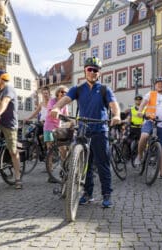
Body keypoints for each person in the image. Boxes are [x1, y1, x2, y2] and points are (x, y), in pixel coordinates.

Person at [50, 56, 121, 208]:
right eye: (90, 69)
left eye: (95, 70)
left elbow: (113, 104)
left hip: (100, 130)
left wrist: (116, 115)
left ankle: (106, 194)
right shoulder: (78, 89)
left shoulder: (104, 89)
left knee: (103, 164)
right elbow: (66, 99)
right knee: (84, 164)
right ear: (85, 71)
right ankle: (87, 194)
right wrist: (56, 107)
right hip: (83, 131)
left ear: (99, 73)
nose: (92, 72)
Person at [134, 77, 162, 180]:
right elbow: (143, 104)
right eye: (158, 83)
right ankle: (139, 156)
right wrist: (140, 112)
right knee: (144, 136)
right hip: (150, 121)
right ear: (155, 85)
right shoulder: (150, 94)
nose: (160, 85)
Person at [0, 69, 22, 189]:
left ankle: (18, 178)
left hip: (9, 124)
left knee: (13, 151)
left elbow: (5, 102)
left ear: (1, 79)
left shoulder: (8, 88)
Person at [45, 85, 70, 183]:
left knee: (63, 149)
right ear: (58, 92)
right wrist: (60, 114)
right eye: (62, 92)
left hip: (58, 128)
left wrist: (71, 122)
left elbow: (67, 117)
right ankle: (50, 174)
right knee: (50, 151)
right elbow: (51, 112)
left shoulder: (65, 104)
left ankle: (64, 170)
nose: (63, 94)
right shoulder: (52, 101)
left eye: (65, 93)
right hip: (49, 127)